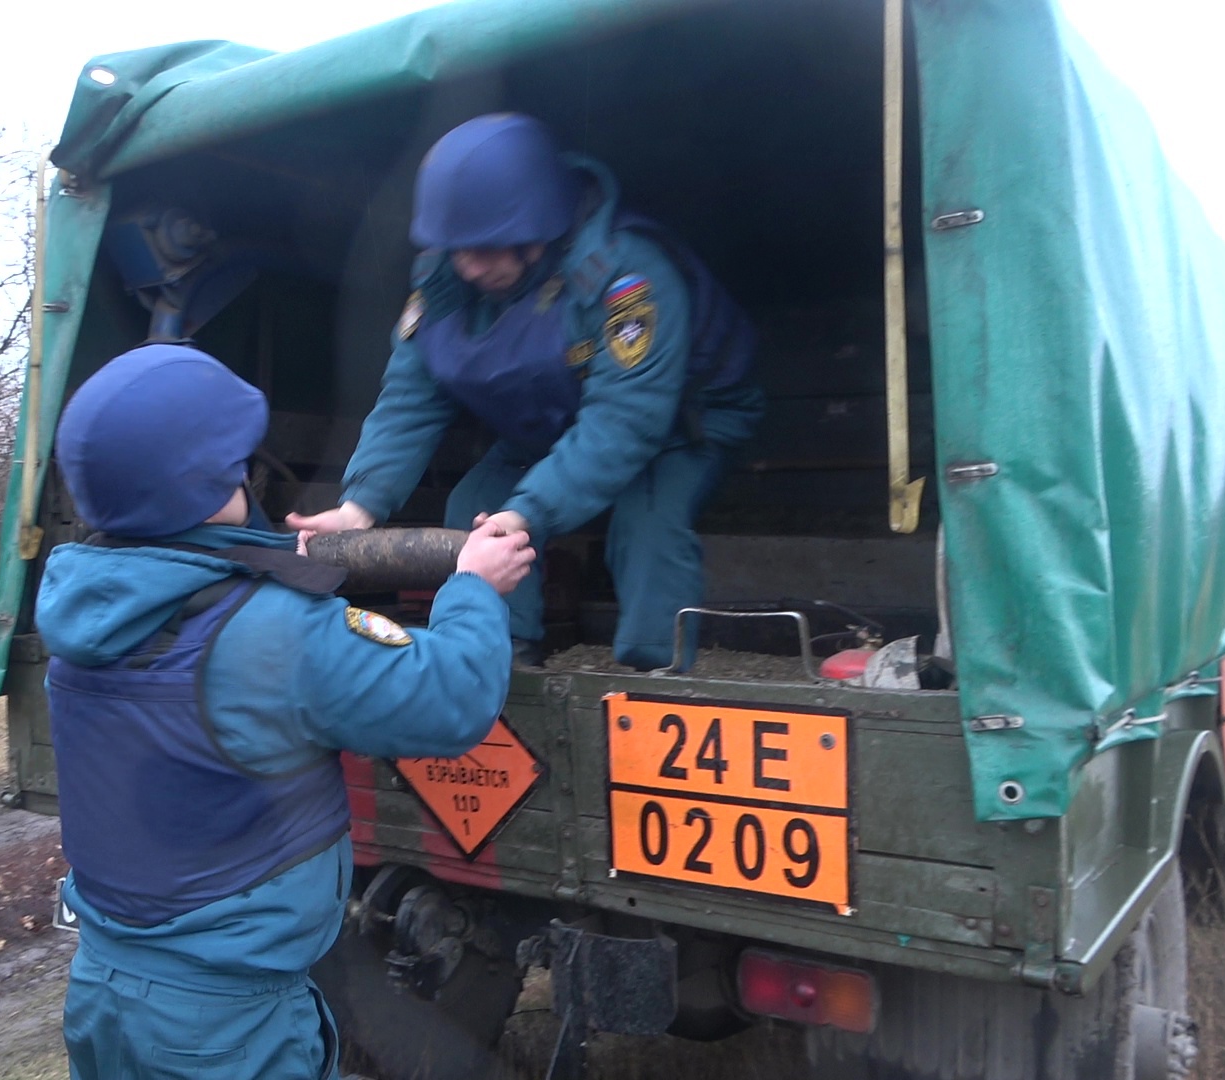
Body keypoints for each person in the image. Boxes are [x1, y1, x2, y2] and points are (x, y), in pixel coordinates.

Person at [39, 343, 534, 1080]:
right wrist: (471, 586)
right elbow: (452, 697)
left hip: (109, 993)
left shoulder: (82, 609)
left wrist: (267, 553)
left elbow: (197, 584)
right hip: (227, 1030)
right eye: (235, 461)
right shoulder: (269, 634)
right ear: (209, 482)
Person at [289, 113, 765, 670]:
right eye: (455, 248)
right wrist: (358, 508)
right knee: (474, 507)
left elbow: (626, 424)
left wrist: (527, 512)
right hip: (551, 417)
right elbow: (408, 398)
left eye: (485, 247)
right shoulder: (445, 276)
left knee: (647, 525)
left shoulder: (626, 276)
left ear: (538, 225)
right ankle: (505, 661)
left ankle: (655, 679)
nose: (468, 265)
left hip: (679, 425)